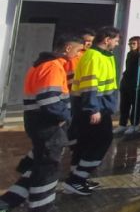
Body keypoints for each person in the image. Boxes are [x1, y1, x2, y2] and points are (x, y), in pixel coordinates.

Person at [0, 34, 85, 212]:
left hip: (39, 122)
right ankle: (42, 206)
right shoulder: (52, 67)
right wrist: (65, 117)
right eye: (78, 50)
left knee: (41, 163)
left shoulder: (42, 65)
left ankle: (10, 200)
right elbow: (49, 100)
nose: (78, 55)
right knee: (48, 167)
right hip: (48, 124)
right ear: (68, 48)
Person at [64, 26, 120, 195]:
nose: (117, 44)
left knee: (86, 141)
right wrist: (93, 109)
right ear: (107, 40)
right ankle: (77, 179)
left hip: (99, 106)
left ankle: (75, 177)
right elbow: (90, 85)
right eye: (116, 40)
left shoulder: (103, 56)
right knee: (102, 140)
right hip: (95, 108)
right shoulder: (94, 56)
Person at [114, 37, 140, 135]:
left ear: (139, 44)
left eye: (133, 43)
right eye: (130, 44)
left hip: (136, 82)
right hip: (126, 81)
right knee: (124, 104)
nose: (131, 46)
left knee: (136, 104)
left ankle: (134, 125)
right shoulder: (129, 54)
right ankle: (122, 124)